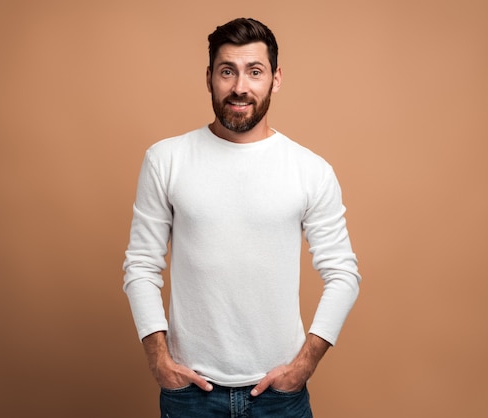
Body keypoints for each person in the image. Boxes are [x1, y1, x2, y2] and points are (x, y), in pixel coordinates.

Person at [123, 17, 361, 418]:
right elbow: (141, 265)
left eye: (254, 72)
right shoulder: (166, 160)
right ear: (209, 77)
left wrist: (304, 365)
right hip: (190, 395)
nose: (239, 87)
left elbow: (343, 273)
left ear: (276, 78)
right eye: (227, 71)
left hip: (278, 397)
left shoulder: (309, 169)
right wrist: (158, 359)